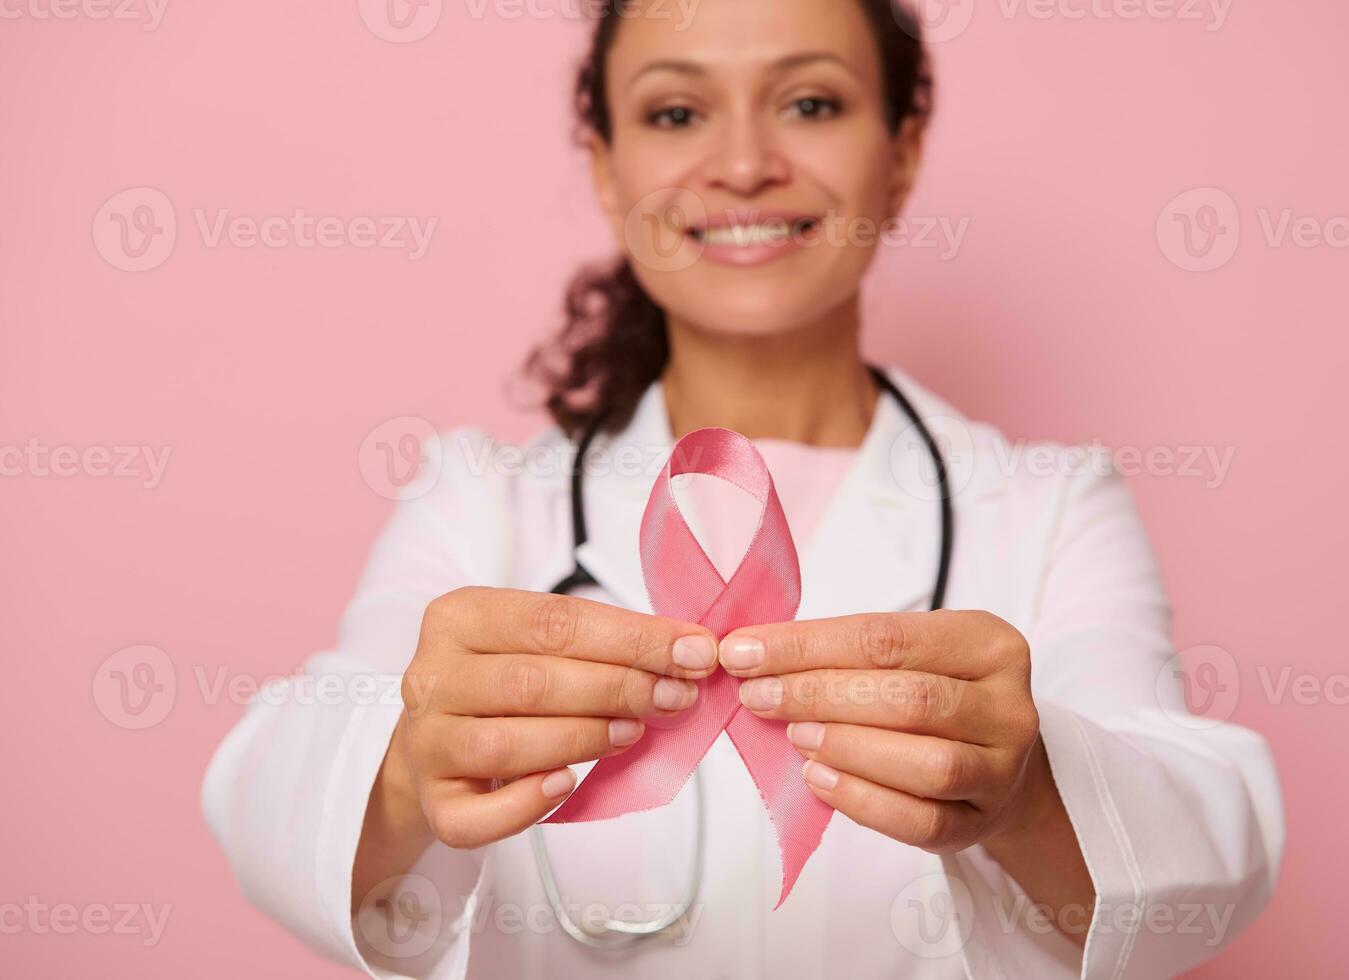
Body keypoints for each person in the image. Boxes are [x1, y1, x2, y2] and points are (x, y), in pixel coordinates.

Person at [202, 0, 1283, 977]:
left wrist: (1036, 789)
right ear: (607, 167)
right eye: (676, 114)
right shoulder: (478, 501)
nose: (743, 163)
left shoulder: (1045, 506)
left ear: (900, 156)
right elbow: (270, 783)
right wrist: (400, 769)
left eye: (810, 102)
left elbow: (1204, 843)